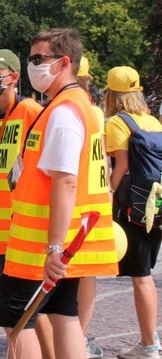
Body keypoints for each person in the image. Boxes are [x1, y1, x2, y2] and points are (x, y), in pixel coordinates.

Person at [0, 29, 118, 359]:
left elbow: (65, 182)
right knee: (65, 317)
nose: (32, 66)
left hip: (42, 247)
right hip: (59, 243)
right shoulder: (75, 106)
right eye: (31, 59)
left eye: (39, 59)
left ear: (64, 62)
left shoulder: (64, 112)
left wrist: (54, 249)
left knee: (17, 322)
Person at [0, 50, 42, 349]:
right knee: (10, 305)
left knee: (25, 310)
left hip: (20, 224)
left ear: (14, 77)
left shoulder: (30, 111)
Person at [105, 66, 162, 358]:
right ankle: (150, 339)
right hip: (156, 204)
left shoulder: (117, 123)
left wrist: (108, 193)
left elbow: (121, 166)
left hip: (132, 205)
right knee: (146, 273)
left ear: (111, 93)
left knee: (141, 277)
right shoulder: (152, 120)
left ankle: (149, 345)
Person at [76, 55, 106, 359]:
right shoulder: (95, 112)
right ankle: (79, 335)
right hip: (93, 199)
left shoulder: (68, 109)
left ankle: (74, 335)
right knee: (86, 274)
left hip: (77, 199)